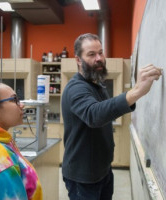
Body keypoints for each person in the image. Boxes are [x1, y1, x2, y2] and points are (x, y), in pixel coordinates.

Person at [61, 33, 162, 200]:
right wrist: (136, 92)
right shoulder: (75, 88)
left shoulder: (97, 85)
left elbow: (105, 112)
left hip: (103, 171)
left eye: (101, 52)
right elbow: (94, 115)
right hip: (83, 178)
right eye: (91, 54)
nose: (99, 58)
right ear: (78, 59)